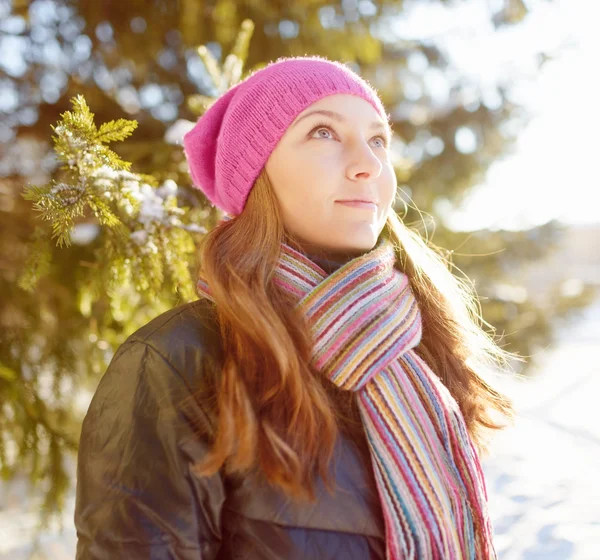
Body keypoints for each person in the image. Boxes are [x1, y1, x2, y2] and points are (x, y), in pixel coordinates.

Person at [74, 56, 515, 559]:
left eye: (378, 141)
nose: (368, 163)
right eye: (323, 132)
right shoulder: (176, 362)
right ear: (258, 173)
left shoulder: (420, 347)